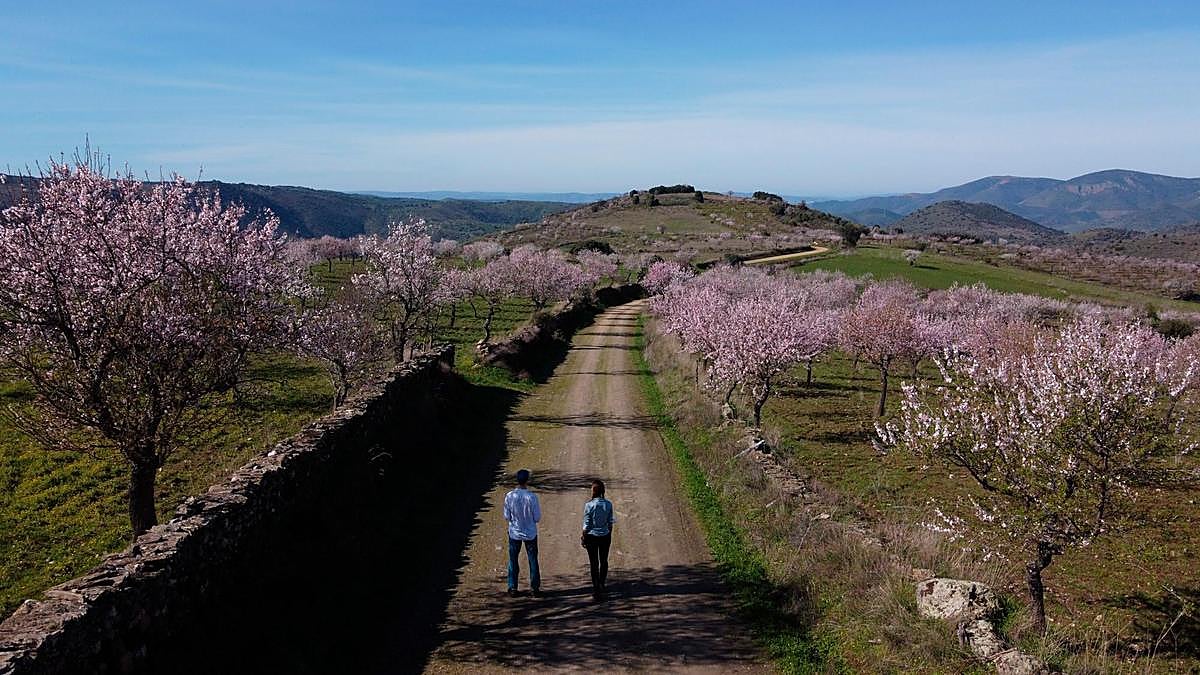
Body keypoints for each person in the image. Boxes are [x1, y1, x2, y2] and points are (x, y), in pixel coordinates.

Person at [503, 468, 542, 597]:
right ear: (527, 481)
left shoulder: (509, 496)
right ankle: (534, 588)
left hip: (514, 532)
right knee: (532, 560)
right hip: (530, 533)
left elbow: (507, 516)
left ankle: (512, 587)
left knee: (513, 559)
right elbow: (537, 518)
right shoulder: (532, 497)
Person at [581, 479, 615, 600]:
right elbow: (610, 522)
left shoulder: (589, 505)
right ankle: (602, 583)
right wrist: (608, 533)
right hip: (605, 536)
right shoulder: (608, 504)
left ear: (594, 491)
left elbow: (586, 524)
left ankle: (596, 588)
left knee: (594, 563)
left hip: (591, 536)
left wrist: (583, 537)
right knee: (604, 560)